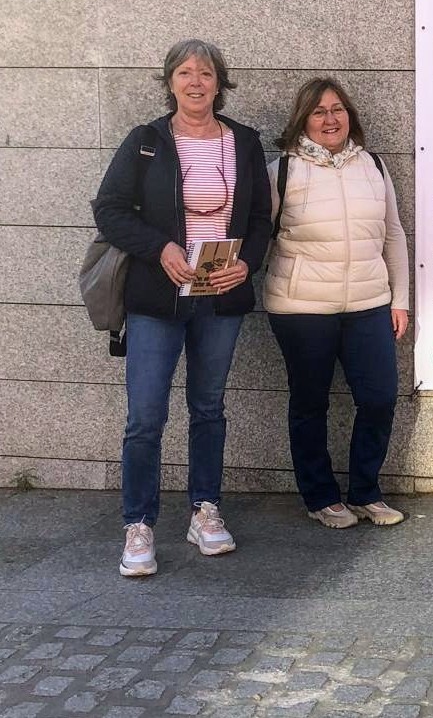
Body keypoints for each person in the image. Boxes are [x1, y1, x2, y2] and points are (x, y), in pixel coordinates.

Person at [94, 39, 272, 576]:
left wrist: (250, 262)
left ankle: (204, 510)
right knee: (145, 416)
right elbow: (109, 209)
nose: (196, 81)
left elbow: (262, 219)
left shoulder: (244, 142)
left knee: (209, 408)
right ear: (170, 81)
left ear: (221, 83)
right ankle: (139, 524)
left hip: (221, 295)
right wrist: (162, 248)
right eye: (185, 72)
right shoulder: (146, 141)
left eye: (207, 73)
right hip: (158, 297)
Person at [264, 77, 410, 529]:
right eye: (319, 111)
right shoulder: (281, 171)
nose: (331, 119)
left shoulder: (373, 166)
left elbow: (393, 233)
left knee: (381, 398)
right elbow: (258, 236)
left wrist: (399, 299)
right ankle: (321, 495)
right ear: (302, 120)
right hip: (302, 307)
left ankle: (366, 491)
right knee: (310, 403)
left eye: (338, 109)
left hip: (368, 302)